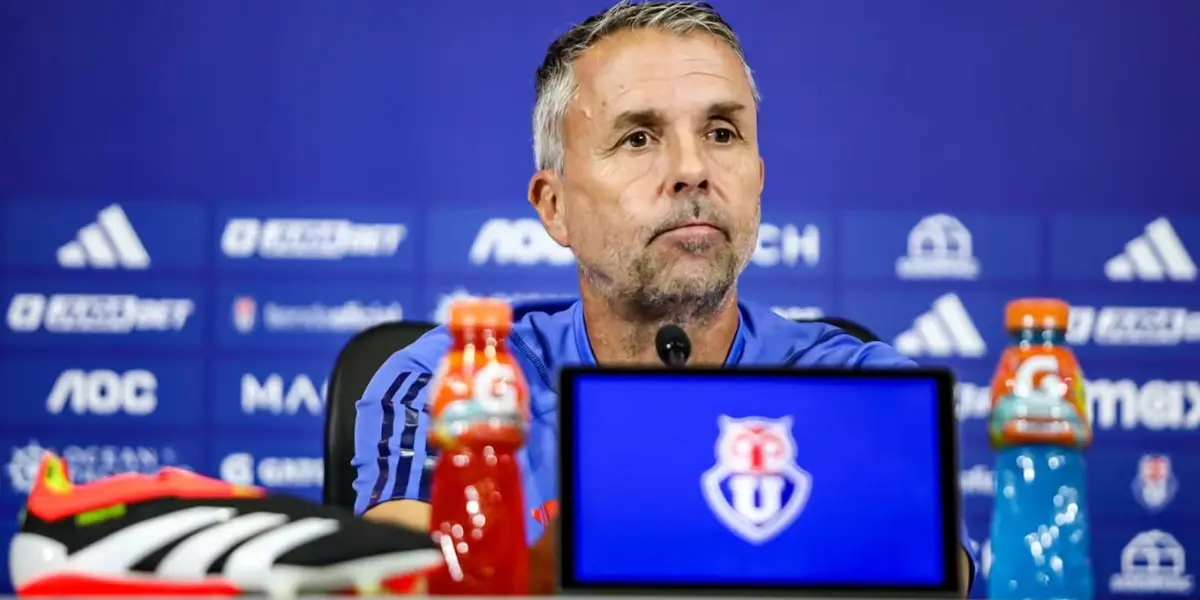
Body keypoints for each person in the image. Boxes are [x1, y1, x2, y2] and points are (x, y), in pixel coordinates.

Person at [353, 1, 977, 595]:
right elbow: (407, 585)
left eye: (722, 133)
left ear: (758, 182)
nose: (692, 169)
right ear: (555, 205)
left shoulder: (865, 391)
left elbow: (934, 582)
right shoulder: (458, 381)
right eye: (638, 139)